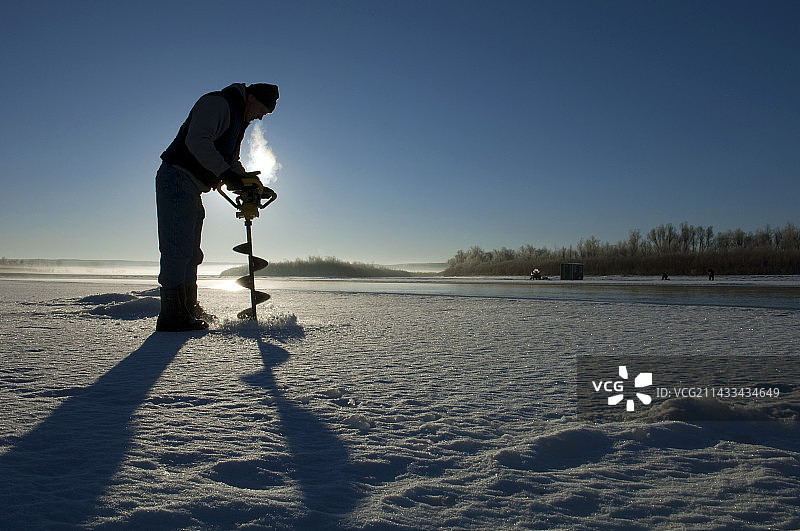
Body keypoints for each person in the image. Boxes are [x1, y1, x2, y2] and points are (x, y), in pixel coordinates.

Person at [155, 83, 279, 331]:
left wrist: (248, 183)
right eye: (261, 111)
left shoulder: (236, 120)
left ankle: (188, 307)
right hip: (177, 179)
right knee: (178, 249)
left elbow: (230, 160)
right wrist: (227, 174)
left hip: (192, 186)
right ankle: (172, 314)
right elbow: (198, 140)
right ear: (251, 98)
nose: (259, 118)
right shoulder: (218, 104)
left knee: (191, 252)